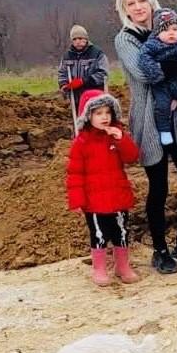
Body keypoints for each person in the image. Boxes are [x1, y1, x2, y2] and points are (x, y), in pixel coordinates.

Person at [113, 0, 177, 274]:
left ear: (151, 1)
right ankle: (160, 250)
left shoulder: (169, 27)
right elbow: (144, 74)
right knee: (159, 186)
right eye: (131, 3)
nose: (138, 7)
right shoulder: (125, 39)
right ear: (124, 10)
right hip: (149, 119)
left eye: (142, 0)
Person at [65, 89, 141, 286]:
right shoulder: (81, 143)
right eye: (98, 113)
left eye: (107, 112)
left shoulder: (115, 136)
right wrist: (78, 201)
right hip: (94, 201)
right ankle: (99, 268)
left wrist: (121, 138)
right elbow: (75, 174)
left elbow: (132, 157)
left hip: (117, 196)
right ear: (88, 116)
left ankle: (122, 266)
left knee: (121, 232)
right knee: (99, 235)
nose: (104, 117)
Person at [138, 8, 177, 150]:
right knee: (162, 107)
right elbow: (144, 59)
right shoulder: (152, 45)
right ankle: (164, 131)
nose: (171, 33)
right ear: (157, 33)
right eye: (166, 30)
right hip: (162, 84)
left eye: (175, 29)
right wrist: (157, 72)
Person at [56, 24, 109, 108]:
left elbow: (103, 74)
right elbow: (62, 73)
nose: (77, 41)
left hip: (94, 96)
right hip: (75, 98)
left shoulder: (97, 54)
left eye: (80, 38)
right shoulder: (67, 56)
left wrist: (83, 81)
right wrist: (63, 84)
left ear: (86, 39)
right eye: (74, 39)